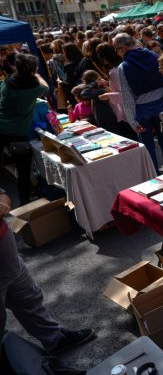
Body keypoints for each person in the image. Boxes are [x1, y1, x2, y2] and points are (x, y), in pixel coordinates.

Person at [0, 188, 95, 354]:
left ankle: (55, 339)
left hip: (9, 258)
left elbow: (3, 194)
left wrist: (3, 203)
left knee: (29, 298)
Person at [114, 33, 163, 173]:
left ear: (124, 48)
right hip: (161, 106)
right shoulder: (153, 55)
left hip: (142, 110)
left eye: (117, 49)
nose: (117, 53)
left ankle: (154, 176)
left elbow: (127, 96)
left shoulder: (123, 67)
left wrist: (131, 120)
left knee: (148, 147)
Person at [0, 54, 49, 204]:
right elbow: (46, 88)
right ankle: (25, 204)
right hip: (18, 134)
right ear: (33, 70)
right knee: (24, 171)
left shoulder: (8, 82)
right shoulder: (35, 88)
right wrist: (38, 75)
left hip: (1, 130)